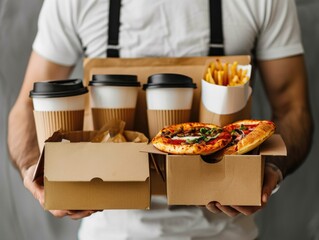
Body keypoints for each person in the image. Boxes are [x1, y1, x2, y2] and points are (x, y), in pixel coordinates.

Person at [8, 0, 313, 239]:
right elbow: (27, 105)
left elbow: (292, 108)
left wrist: (271, 170)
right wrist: (33, 173)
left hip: (227, 234)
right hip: (111, 233)